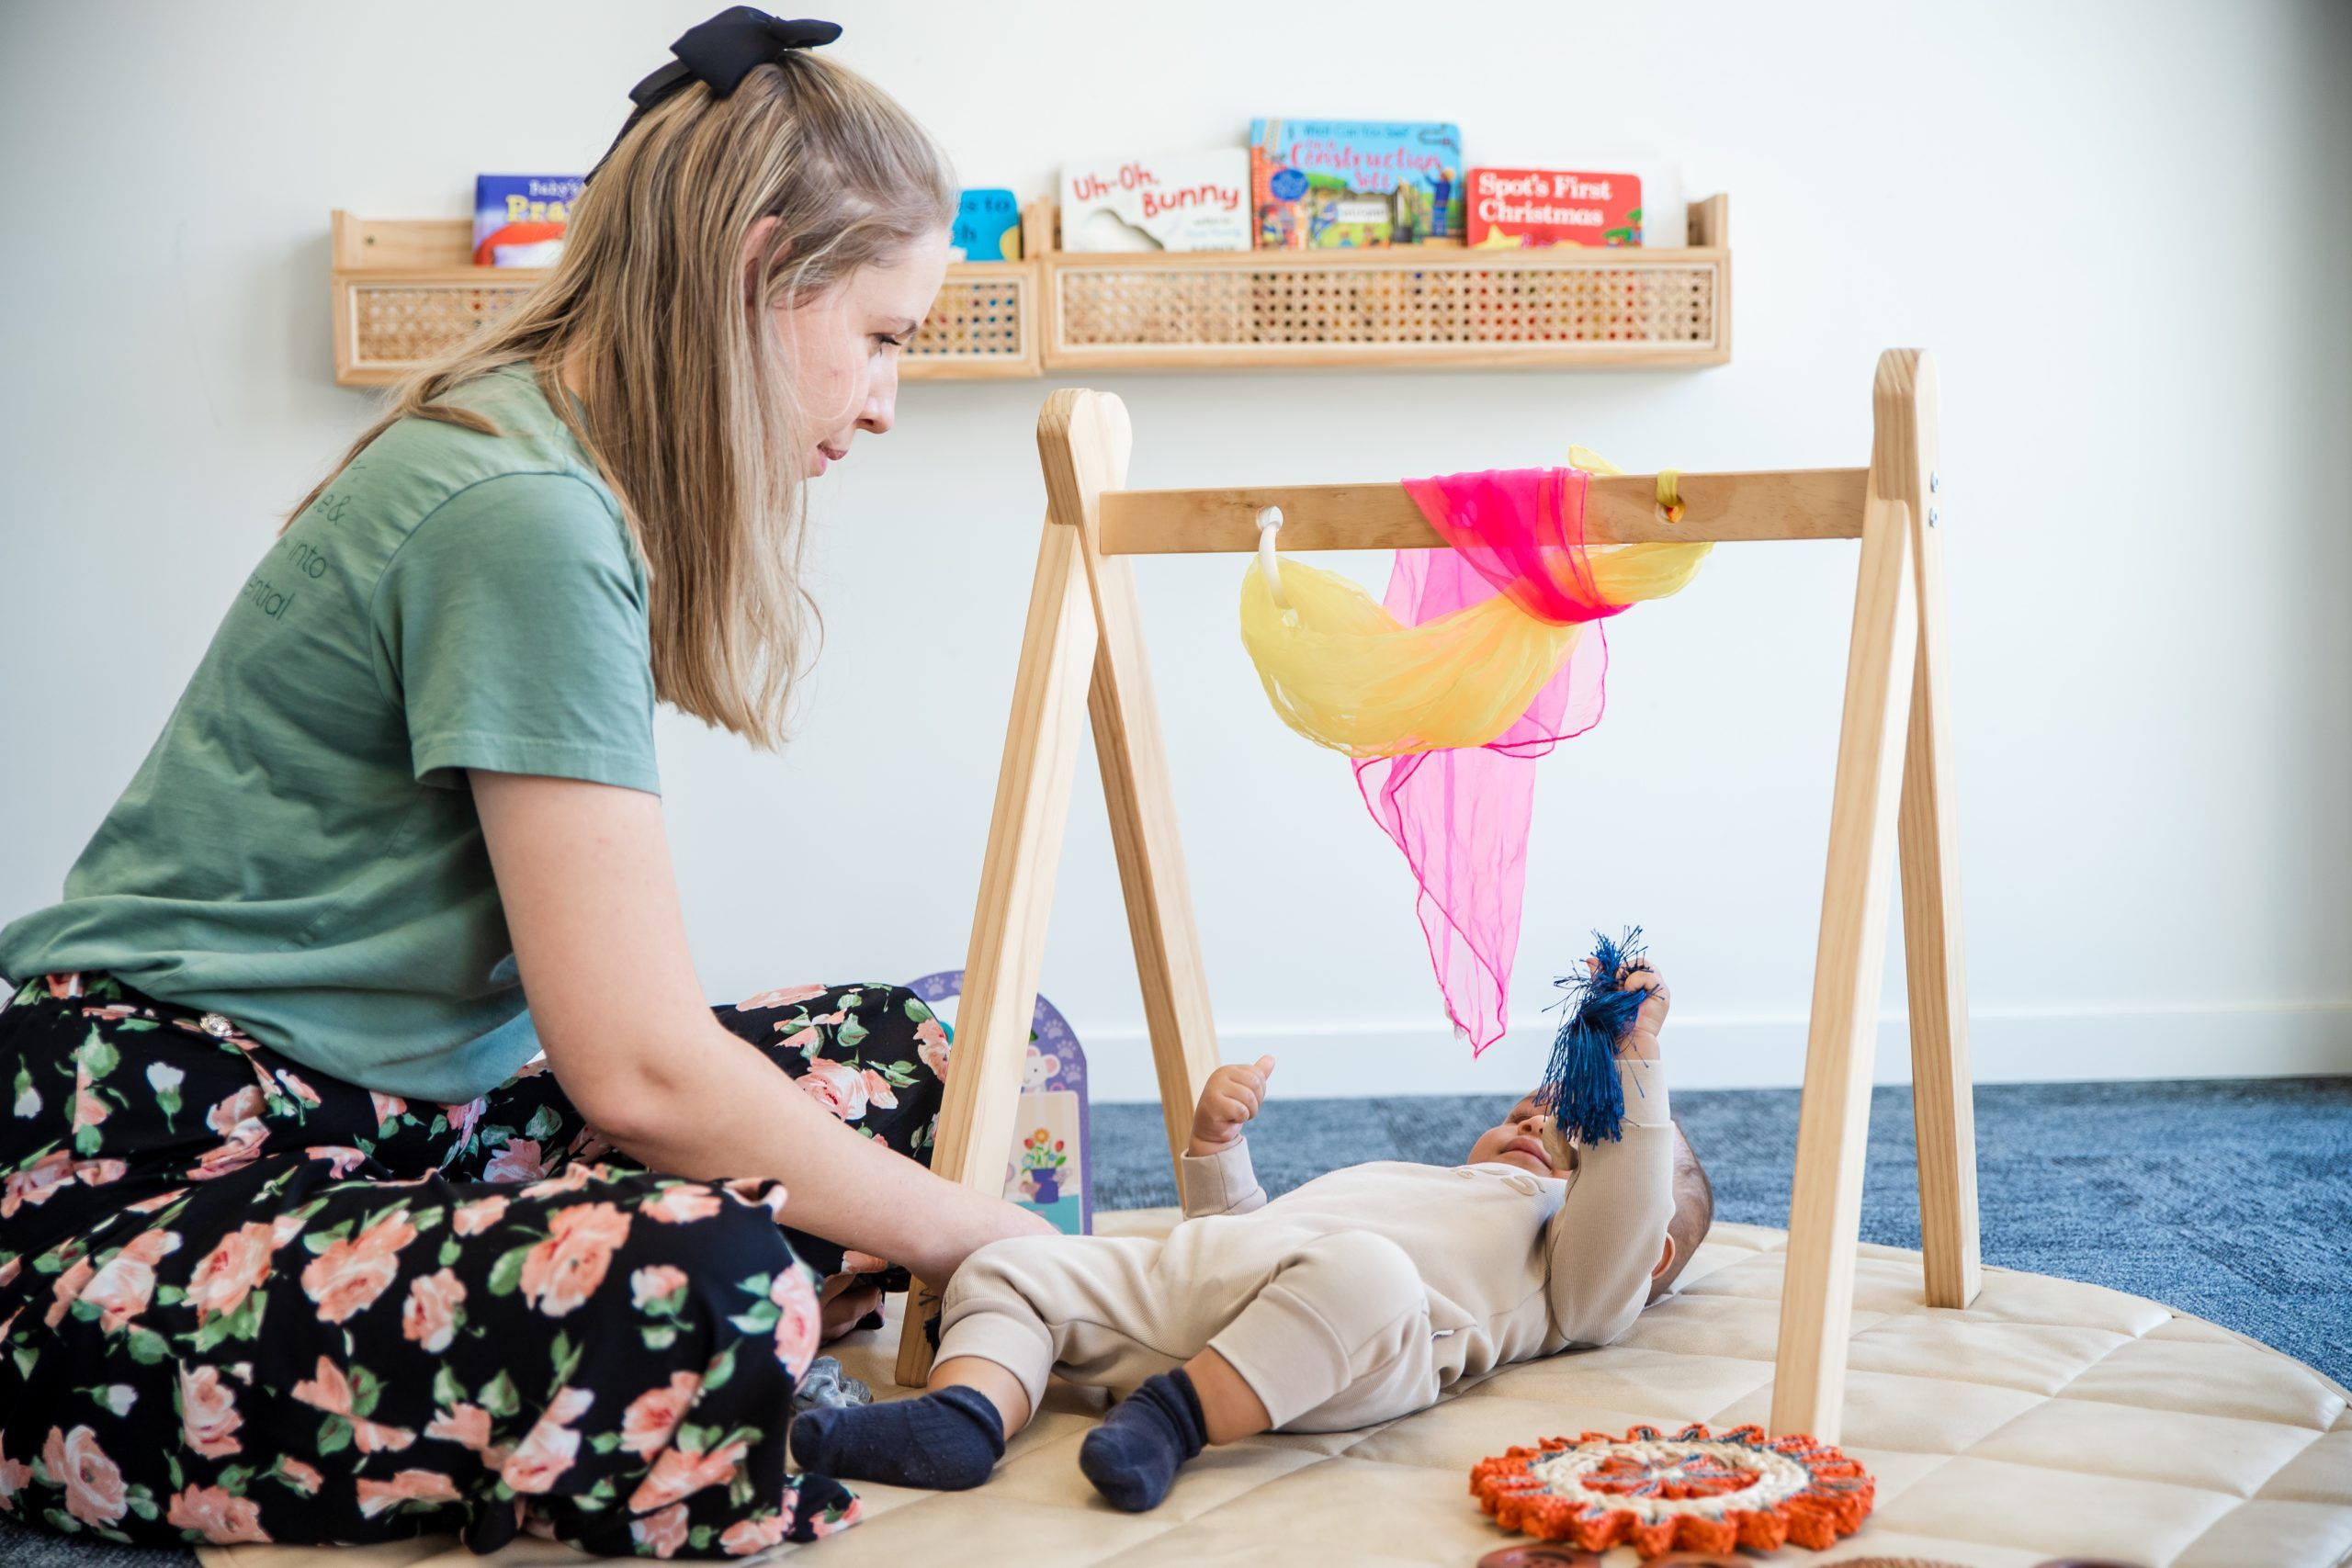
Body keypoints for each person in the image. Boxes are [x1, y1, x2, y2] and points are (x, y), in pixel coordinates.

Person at [0, 11, 1046, 1557]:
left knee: (946, 1063)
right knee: (714, 1288)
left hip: (408, 1119)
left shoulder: (559, 467)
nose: (886, 401)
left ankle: (638, 1365)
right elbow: (634, 1066)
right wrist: (1012, 1247)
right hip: (140, 1173)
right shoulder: (526, 513)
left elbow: (618, 1054)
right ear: (757, 271)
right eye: (883, 336)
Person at [792, 959, 1713, 1512]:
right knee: (1010, 1258)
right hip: (1209, 1288)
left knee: (1368, 1271)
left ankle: (1172, 1422)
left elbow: (1618, 1219)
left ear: (1643, 1249)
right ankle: (966, 1416)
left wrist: (1633, 1074)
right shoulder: (1409, 1178)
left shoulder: (1572, 1264)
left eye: (1570, 1144)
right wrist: (1215, 1148)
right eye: (1522, 1111)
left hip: (1350, 1346)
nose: (1530, 1127)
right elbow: (1242, 1241)